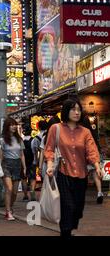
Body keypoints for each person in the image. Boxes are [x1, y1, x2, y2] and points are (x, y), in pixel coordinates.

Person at [45, 99, 102, 237]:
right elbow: (49, 149)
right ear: (66, 111)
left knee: (77, 208)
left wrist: (97, 165)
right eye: (73, 109)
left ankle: (68, 228)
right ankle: (65, 232)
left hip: (81, 175)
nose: (77, 112)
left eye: (78, 109)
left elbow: (91, 150)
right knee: (68, 207)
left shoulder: (85, 132)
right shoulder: (56, 128)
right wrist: (50, 165)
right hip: (63, 174)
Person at [0, 117, 26, 221]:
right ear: (7, 126)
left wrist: (24, 168)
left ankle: (10, 207)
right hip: (6, 165)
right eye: (11, 125)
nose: (14, 126)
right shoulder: (2, 140)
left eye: (15, 124)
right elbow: (0, 155)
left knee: (14, 192)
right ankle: (8, 211)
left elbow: (22, 154)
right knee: (9, 189)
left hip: (17, 165)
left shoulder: (19, 139)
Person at [80, 115, 105, 204]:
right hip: (94, 155)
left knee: (83, 176)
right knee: (95, 175)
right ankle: (99, 192)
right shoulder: (92, 131)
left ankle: (81, 194)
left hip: (84, 157)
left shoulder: (82, 132)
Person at [26, 120, 48, 201]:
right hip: (52, 159)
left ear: (38, 127)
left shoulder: (36, 138)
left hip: (42, 160)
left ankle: (43, 194)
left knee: (43, 178)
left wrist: (36, 160)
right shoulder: (50, 135)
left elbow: (34, 149)